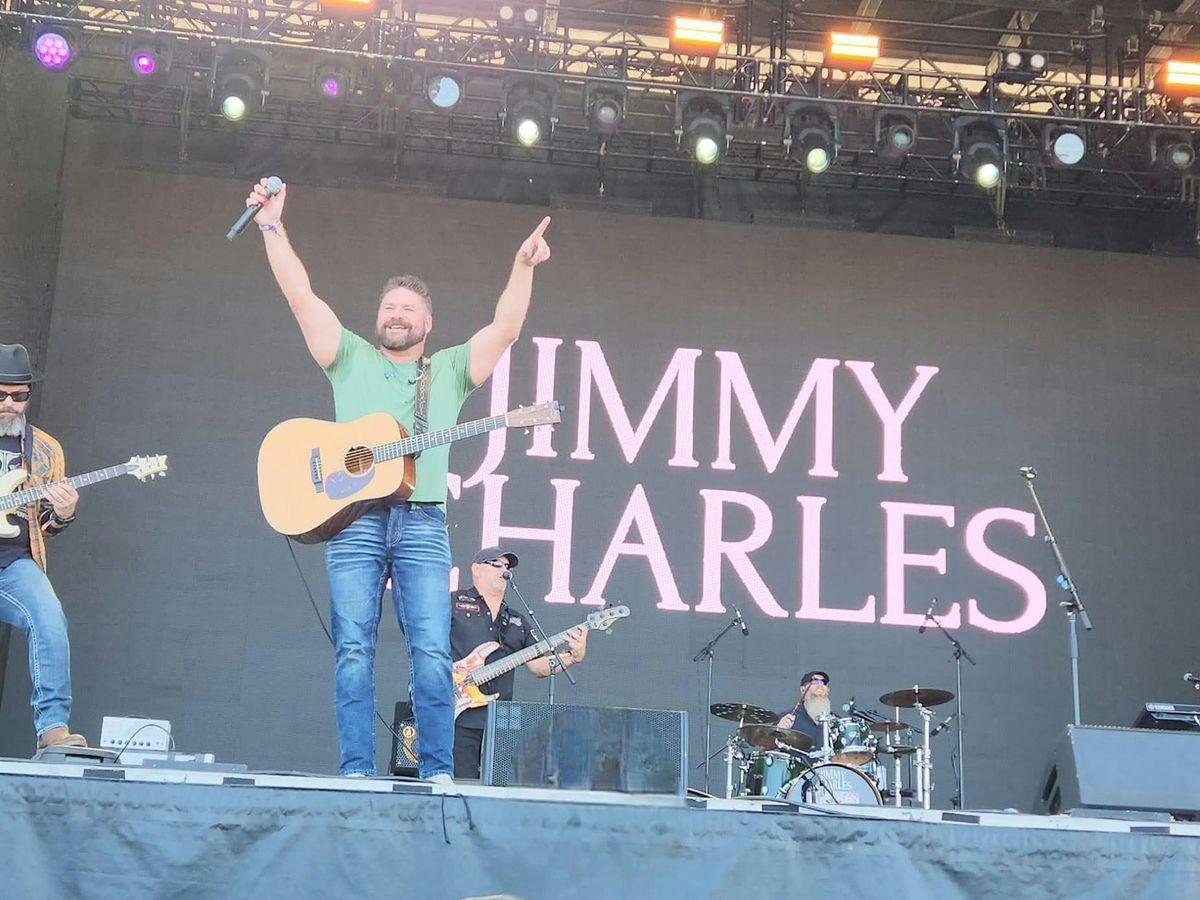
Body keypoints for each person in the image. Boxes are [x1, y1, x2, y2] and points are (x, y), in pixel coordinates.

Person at [247, 178, 552, 781]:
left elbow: (504, 330)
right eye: (389, 307)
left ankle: (437, 771)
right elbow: (300, 297)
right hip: (352, 522)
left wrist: (522, 267)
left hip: (422, 523)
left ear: (428, 325)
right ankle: (357, 770)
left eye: (408, 310)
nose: (396, 315)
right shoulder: (350, 356)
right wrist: (271, 226)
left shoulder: (452, 371)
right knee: (353, 650)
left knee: (433, 654)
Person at [0, 343, 85, 753]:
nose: (10, 404)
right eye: (0, 395)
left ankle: (52, 729)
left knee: (49, 620)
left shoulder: (45, 450)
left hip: (13, 564)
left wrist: (63, 514)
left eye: (19, 396)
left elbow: (45, 526)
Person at [450, 546, 587, 779]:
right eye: (496, 564)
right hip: (457, 714)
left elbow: (538, 666)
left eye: (507, 567)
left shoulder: (515, 620)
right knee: (461, 782)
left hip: (500, 720)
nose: (504, 570)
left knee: (499, 783)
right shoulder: (453, 603)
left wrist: (572, 656)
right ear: (476, 569)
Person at [777, 670, 831, 750]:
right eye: (815, 681)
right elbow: (765, 744)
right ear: (803, 690)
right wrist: (779, 730)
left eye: (823, 682)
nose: (820, 685)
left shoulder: (834, 721)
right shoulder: (787, 717)